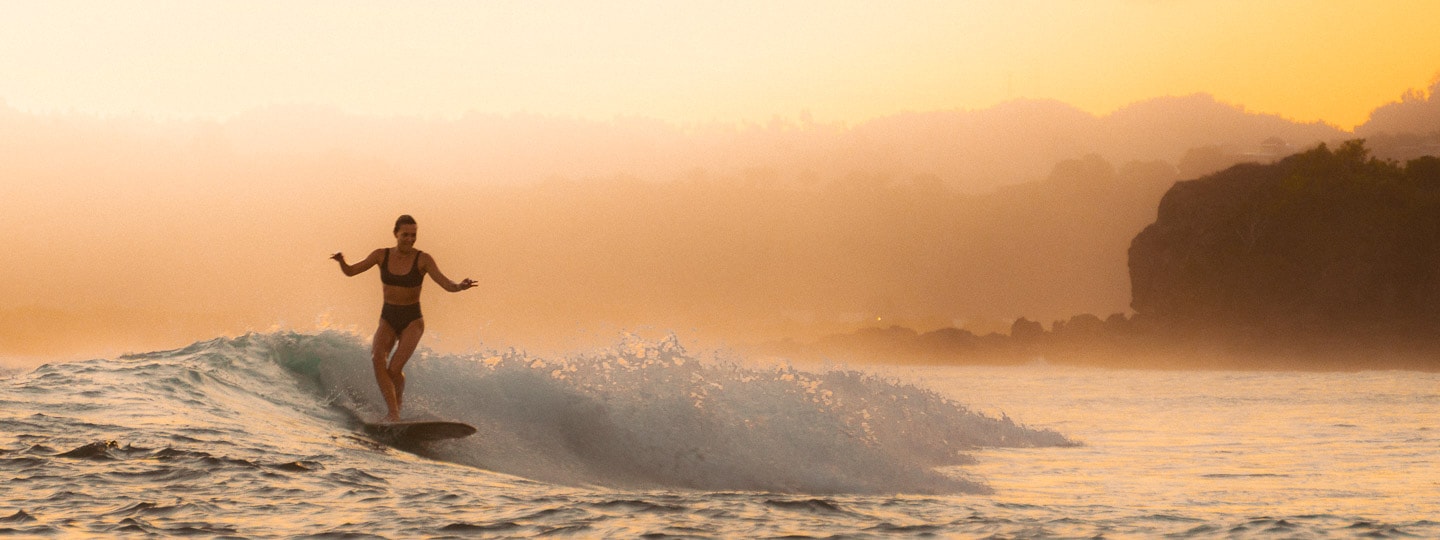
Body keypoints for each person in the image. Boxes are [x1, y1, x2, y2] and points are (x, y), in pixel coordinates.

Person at [331, 214, 475, 421]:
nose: (410, 239)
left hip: (412, 321)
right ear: (395, 234)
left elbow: (446, 283)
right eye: (405, 234)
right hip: (388, 317)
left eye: (413, 235)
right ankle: (394, 414)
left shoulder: (423, 259)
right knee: (377, 359)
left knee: (395, 368)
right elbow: (352, 271)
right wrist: (341, 261)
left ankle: (396, 408)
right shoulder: (381, 255)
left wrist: (460, 286)